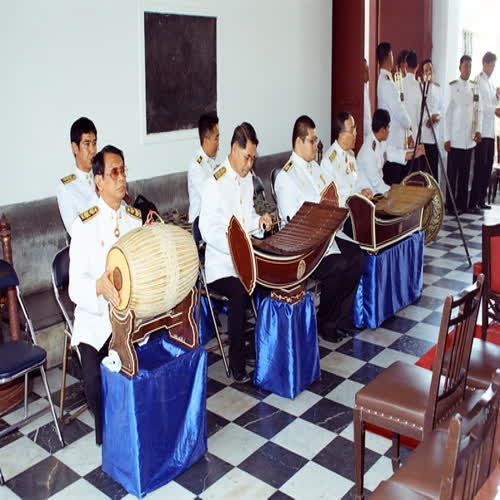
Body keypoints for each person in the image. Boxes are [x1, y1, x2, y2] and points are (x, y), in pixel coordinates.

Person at [69, 145, 142, 444]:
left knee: (149, 368)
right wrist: (98, 286)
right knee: (96, 386)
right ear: (99, 181)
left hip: (130, 319)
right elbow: (75, 287)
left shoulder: (134, 220)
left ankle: (137, 433)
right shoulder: (84, 225)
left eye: (123, 171)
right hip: (96, 322)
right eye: (114, 172)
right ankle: (109, 442)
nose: (121, 178)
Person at [275, 115, 365, 343]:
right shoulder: (286, 176)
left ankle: (341, 317)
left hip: (328, 234)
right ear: (299, 141)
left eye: (316, 140)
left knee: (357, 258)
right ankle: (326, 321)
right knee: (337, 265)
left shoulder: (315, 167)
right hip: (307, 246)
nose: (316, 145)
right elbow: (293, 222)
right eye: (312, 140)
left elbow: (333, 194)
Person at [199, 123, 272, 383]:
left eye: (253, 158)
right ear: (233, 149)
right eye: (246, 157)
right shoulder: (215, 183)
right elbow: (207, 229)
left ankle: (263, 347)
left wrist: (259, 222)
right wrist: (235, 246)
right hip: (221, 266)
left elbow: (246, 217)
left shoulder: (246, 179)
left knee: (270, 281)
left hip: (245, 260)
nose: (249, 164)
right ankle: (237, 363)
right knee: (241, 292)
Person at [444, 55, 483, 215]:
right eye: (466, 66)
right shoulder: (453, 87)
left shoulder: (475, 87)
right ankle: (451, 206)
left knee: (465, 174)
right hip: (455, 139)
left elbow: (478, 111)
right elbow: (447, 114)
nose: (468, 69)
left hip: (469, 139)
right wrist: (446, 138)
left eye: (470, 66)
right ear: (460, 67)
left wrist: (478, 130)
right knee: (452, 175)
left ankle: (462, 204)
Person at [357, 109, 424, 195]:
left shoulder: (379, 141)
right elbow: (376, 182)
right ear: (382, 130)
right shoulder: (368, 151)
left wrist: (414, 153)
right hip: (368, 193)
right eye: (388, 127)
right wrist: (393, 192)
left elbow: (392, 153)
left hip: (377, 189)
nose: (389, 131)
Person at [377, 42, 414, 184]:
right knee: (394, 182)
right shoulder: (387, 82)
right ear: (389, 56)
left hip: (395, 139)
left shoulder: (386, 79)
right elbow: (398, 109)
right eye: (392, 55)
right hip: (392, 141)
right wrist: (409, 124)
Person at [57, 117, 99, 236]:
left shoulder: (104, 174)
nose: (93, 150)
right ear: (75, 148)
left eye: (94, 143)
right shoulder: (66, 188)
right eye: (87, 144)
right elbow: (75, 232)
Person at [469, 52, 500, 211]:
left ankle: (481, 199)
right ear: (485, 64)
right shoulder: (478, 80)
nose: (493, 68)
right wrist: (494, 109)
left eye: (494, 65)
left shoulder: (490, 82)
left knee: (487, 167)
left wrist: (497, 97)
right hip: (481, 130)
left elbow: (492, 102)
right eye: (492, 65)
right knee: (480, 167)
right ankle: (473, 201)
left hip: (490, 130)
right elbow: (479, 105)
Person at [188, 112, 219, 223]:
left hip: (210, 222)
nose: (218, 143)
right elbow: (209, 196)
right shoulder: (196, 165)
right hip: (198, 225)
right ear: (206, 140)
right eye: (216, 138)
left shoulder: (209, 162)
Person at [420, 59, 443, 180]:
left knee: (434, 169)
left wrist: (437, 117)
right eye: (426, 70)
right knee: (422, 170)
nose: (429, 72)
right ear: (423, 73)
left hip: (435, 136)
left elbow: (441, 109)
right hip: (424, 135)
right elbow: (419, 110)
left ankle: (435, 191)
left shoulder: (438, 88)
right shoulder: (421, 88)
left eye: (430, 69)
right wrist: (427, 119)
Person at [363, 58, 372, 140]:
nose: (368, 73)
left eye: (368, 70)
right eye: (365, 70)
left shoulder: (365, 88)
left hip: (368, 134)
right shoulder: (359, 90)